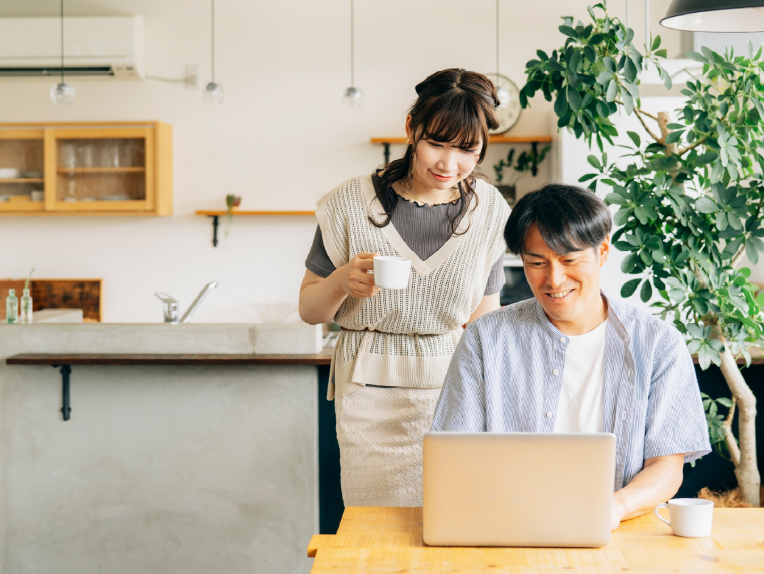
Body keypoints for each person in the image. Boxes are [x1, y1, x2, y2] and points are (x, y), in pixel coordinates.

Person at [431, 183, 711, 529]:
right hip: (507, 525)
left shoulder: (658, 344)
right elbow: (456, 456)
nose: (554, 279)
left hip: (620, 529)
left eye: (569, 259)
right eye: (536, 262)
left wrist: (615, 508)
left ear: (602, 251)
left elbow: (666, 467)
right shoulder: (485, 339)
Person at [298, 69, 511, 507]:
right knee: (376, 530)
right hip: (367, 397)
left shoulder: (489, 210)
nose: (448, 164)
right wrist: (342, 281)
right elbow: (309, 310)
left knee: (451, 526)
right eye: (436, 143)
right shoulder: (349, 204)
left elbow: (485, 320)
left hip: (454, 393)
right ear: (412, 128)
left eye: (466, 150)